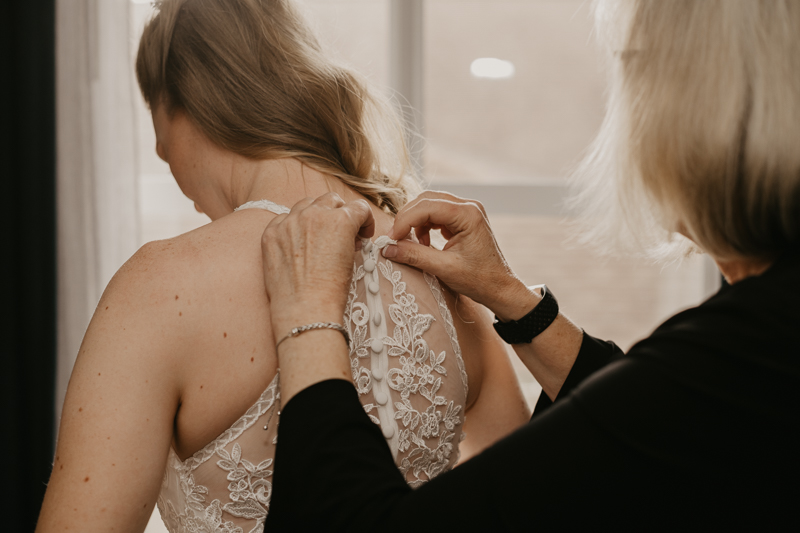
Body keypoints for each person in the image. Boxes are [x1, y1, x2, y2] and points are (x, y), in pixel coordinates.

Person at [257, 0, 800, 530]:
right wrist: (512, 298)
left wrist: (307, 320)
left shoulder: (746, 352)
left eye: (636, 70)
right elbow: (673, 430)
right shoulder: (757, 341)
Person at [35, 1, 530, 531]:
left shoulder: (160, 289)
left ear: (181, 107)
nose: (162, 153)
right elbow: (525, 501)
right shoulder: (447, 271)